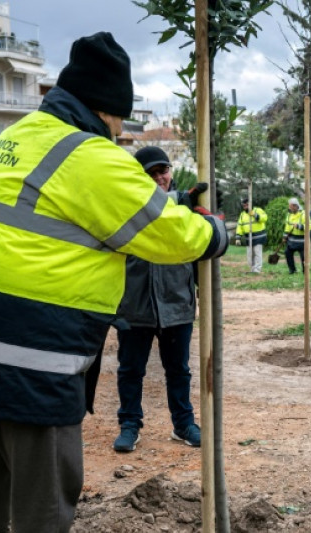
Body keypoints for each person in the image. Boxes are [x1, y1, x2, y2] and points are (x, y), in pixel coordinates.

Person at [0, 32, 227, 532]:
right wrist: (213, 229)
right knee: (44, 509)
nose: (121, 129)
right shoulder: (89, 157)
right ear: (107, 109)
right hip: (30, 365)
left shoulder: (13, 139)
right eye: (121, 118)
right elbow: (171, 235)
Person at [111, 147, 204, 453]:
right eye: (151, 173)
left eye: (163, 170)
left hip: (176, 302)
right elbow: (152, 211)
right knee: (130, 370)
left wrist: (198, 290)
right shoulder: (125, 207)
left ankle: (183, 424)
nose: (159, 177)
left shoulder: (185, 207)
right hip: (134, 305)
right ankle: (129, 424)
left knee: (179, 370)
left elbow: (197, 250)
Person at [236, 198, 268, 274]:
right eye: (244, 205)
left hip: (259, 237)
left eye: (247, 205)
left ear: (250, 204)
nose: (245, 207)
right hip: (248, 238)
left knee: (257, 253)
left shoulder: (258, 210)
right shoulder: (242, 214)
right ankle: (252, 269)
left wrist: (255, 215)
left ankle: (257, 270)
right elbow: (240, 226)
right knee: (250, 255)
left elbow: (265, 218)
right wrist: (238, 237)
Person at [283, 197, 308, 274]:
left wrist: (299, 226)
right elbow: (287, 227)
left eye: (290, 206)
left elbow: (309, 226)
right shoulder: (289, 215)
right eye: (289, 206)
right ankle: (292, 270)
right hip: (291, 240)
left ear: (295, 206)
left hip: (302, 241)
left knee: (304, 257)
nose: (289, 208)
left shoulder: (304, 214)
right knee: (287, 253)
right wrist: (284, 237)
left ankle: (305, 271)